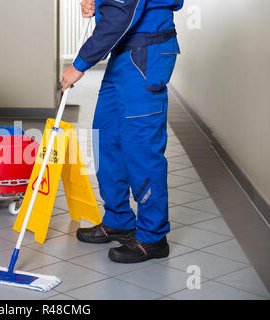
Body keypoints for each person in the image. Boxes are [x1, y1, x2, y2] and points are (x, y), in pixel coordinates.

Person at [61, 0, 184, 263]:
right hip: (124, 52)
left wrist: (79, 65)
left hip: (146, 53)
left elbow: (121, 14)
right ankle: (118, 220)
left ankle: (153, 237)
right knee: (106, 137)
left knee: (140, 147)